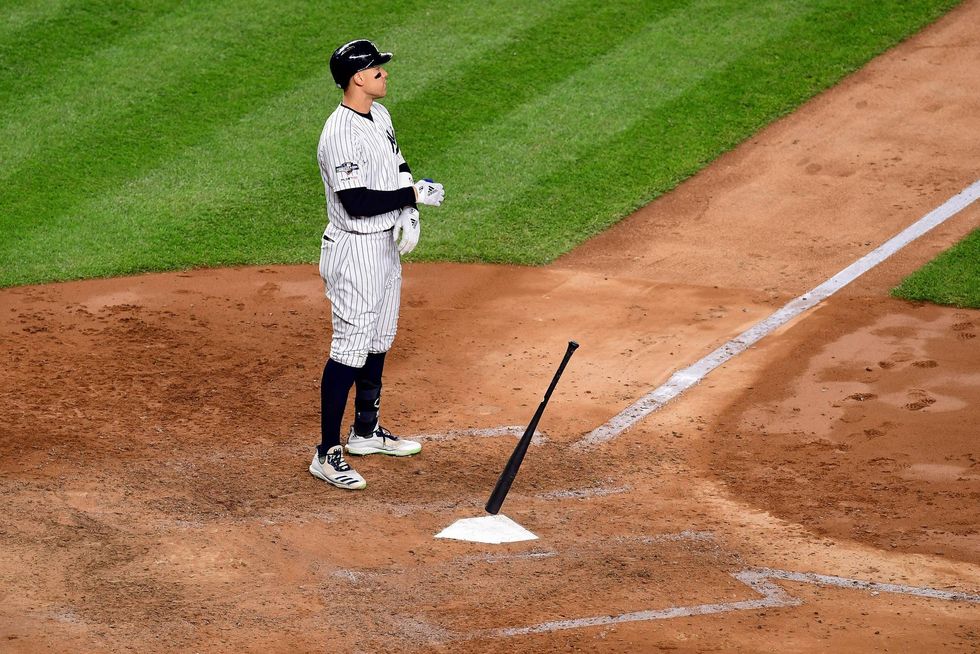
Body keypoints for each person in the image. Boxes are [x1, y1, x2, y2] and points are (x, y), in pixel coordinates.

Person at [309, 39, 446, 490]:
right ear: (357, 79)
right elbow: (356, 201)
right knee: (349, 347)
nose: (385, 74)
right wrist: (411, 197)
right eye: (377, 69)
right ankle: (327, 454)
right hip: (355, 250)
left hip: (384, 247)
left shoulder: (379, 115)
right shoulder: (339, 133)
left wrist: (408, 207)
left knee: (379, 337)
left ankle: (365, 431)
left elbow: (398, 162)